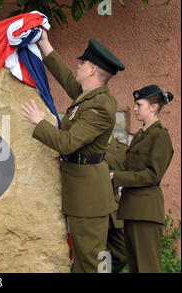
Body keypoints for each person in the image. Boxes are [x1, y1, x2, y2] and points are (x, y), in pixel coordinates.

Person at [21, 30, 125, 272]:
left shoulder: (98, 107)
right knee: (90, 259)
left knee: (90, 262)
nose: (78, 65)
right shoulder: (92, 96)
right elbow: (68, 79)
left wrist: (40, 121)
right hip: (88, 191)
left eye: (83, 62)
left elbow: (67, 143)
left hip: (87, 198)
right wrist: (45, 46)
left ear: (91, 71)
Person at [110, 85, 174, 273]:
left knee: (147, 267)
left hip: (145, 210)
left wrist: (117, 177)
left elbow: (152, 174)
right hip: (132, 209)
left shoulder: (159, 135)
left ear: (153, 107)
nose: (135, 108)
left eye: (139, 104)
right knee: (137, 268)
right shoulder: (143, 134)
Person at [104, 135, 128, 273]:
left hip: (114, 206)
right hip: (91, 206)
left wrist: (101, 154)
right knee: (95, 252)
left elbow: (124, 169)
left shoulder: (122, 149)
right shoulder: (82, 142)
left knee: (123, 251)